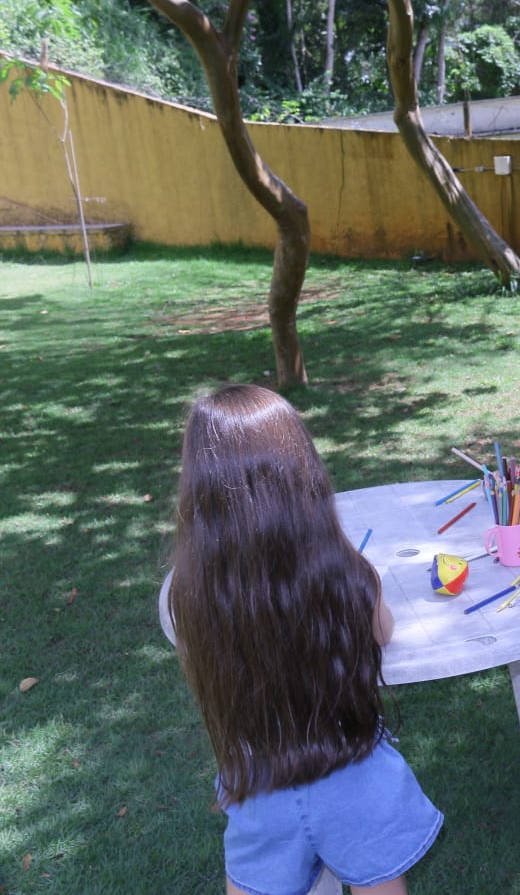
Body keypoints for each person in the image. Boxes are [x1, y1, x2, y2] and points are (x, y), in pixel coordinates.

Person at [168, 384, 444, 895]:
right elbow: (383, 632)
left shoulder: (188, 595)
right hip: (354, 774)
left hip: (257, 786)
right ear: (304, 474)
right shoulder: (348, 574)